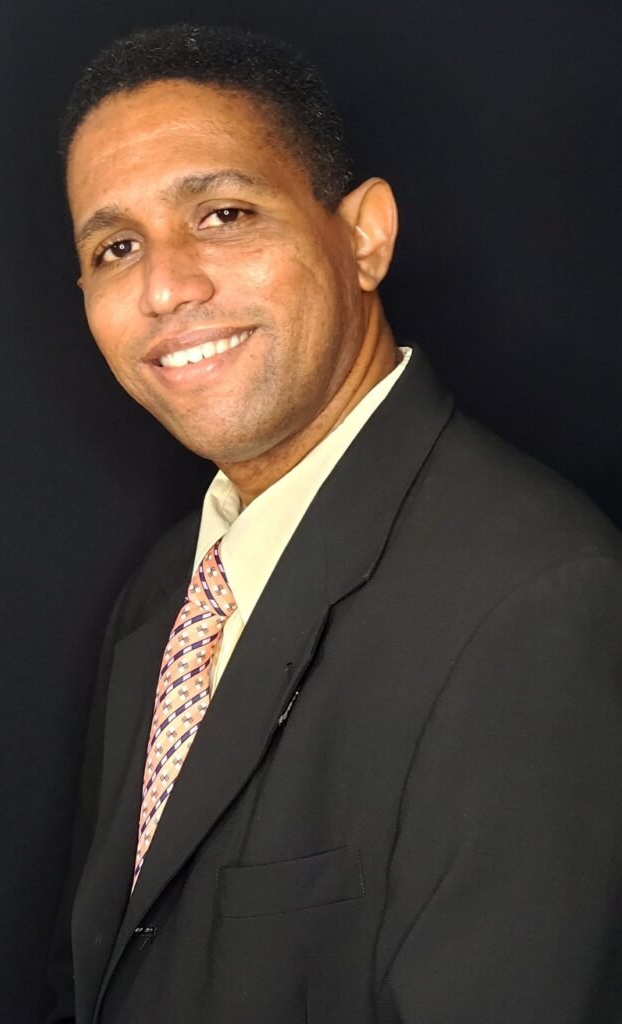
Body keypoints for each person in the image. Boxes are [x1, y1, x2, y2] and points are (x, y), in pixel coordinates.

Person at [45, 23, 622, 1024]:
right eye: (115, 247)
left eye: (223, 214)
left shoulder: (535, 603)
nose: (165, 286)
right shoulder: (167, 594)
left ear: (363, 237)